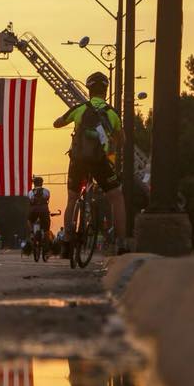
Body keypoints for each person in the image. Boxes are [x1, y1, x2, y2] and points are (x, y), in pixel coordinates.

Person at [54, 72, 127, 254]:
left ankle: (68, 242)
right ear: (106, 90)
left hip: (78, 160)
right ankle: (122, 243)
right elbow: (121, 140)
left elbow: (57, 123)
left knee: (72, 198)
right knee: (116, 197)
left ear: (89, 90)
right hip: (99, 162)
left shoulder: (79, 109)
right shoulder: (112, 114)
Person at [27, 175, 52, 244]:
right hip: (44, 210)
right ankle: (46, 242)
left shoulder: (30, 192)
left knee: (29, 220)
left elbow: (30, 200)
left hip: (34, 211)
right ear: (42, 183)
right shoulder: (46, 191)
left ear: (34, 184)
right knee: (47, 227)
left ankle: (32, 233)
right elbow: (47, 198)